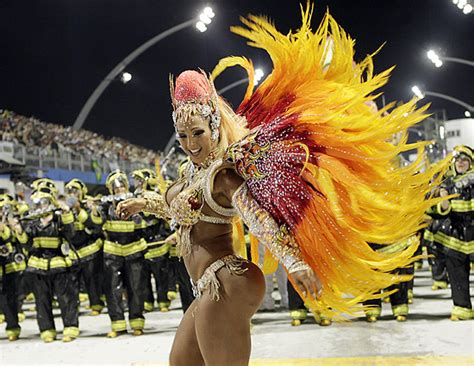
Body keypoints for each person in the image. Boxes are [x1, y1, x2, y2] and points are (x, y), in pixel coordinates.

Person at [117, 4, 448, 365]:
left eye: (197, 132)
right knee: (181, 363)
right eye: (182, 135)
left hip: (225, 282)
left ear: (214, 126)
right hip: (206, 289)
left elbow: (259, 220)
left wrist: (295, 263)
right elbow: (180, 209)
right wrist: (142, 203)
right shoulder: (191, 172)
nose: (190, 142)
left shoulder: (223, 174)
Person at [13, 182, 79, 342]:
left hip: (58, 262)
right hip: (38, 265)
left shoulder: (58, 218)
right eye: (38, 202)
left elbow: (71, 234)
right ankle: (47, 330)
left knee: (65, 298)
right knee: (42, 300)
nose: (40, 205)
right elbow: (27, 244)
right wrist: (19, 231)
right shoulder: (32, 221)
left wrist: (66, 214)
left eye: (43, 201)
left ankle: (70, 328)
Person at [100, 170, 147, 337]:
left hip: (133, 249)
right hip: (112, 251)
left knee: (135, 287)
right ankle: (118, 325)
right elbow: (95, 224)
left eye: (121, 186)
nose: (119, 189)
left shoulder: (133, 203)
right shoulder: (105, 206)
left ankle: (137, 322)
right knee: (113, 289)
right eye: (116, 187)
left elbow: (143, 226)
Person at [437, 145, 473, 320]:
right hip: (455, 237)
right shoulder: (447, 184)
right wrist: (443, 201)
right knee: (457, 274)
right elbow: (438, 211)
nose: (461, 163)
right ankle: (462, 307)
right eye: (458, 160)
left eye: (465, 160)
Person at [64, 178, 105, 316]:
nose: (72, 193)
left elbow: (95, 225)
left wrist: (80, 209)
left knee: (92, 279)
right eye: (69, 191)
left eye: (75, 191)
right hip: (75, 250)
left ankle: (96, 304)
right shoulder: (66, 207)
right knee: (74, 283)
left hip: (90, 248)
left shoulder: (88, 204)